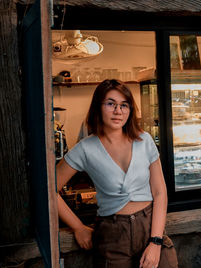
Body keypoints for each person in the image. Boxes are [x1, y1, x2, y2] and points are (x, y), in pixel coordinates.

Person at [56, 79, 178, 268]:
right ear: (98, 107)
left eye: (124, 105)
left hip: (150, 228)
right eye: (111, 104)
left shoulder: (144, 140)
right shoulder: (85, 148)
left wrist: (155, 242)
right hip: (112, 236)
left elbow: (160, 192)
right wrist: (78, 227)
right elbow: (47, 190)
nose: (118, 111)